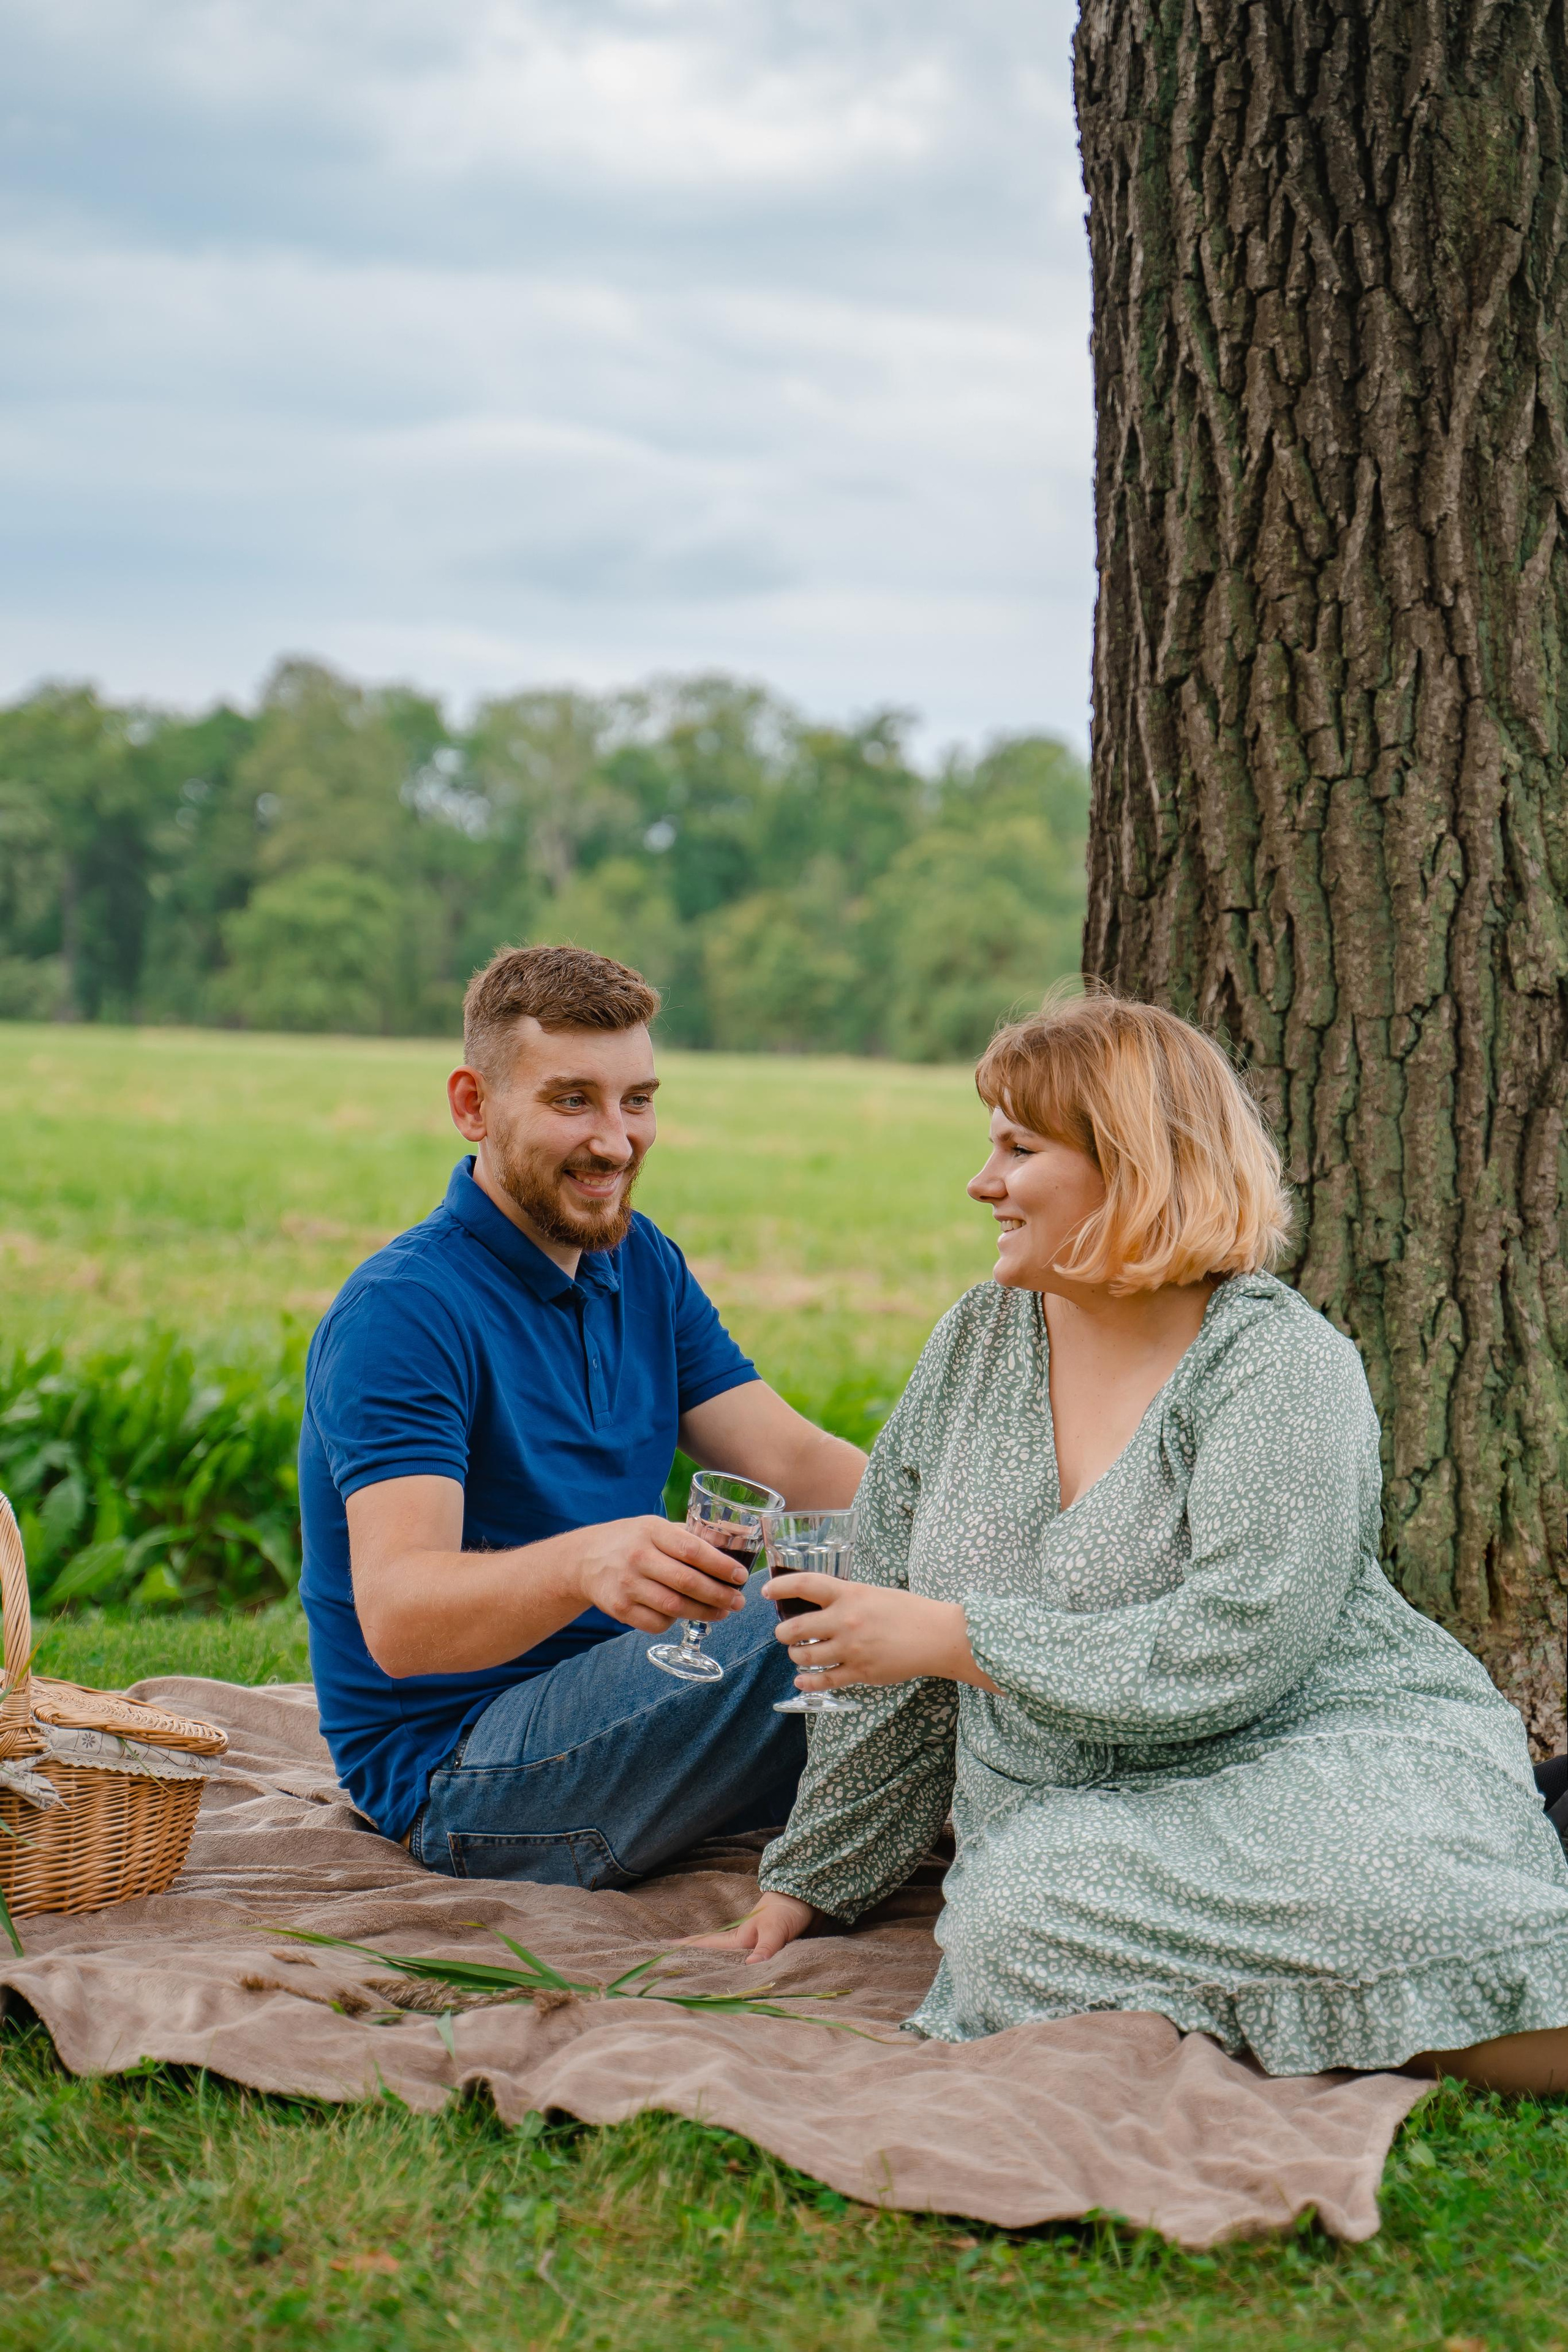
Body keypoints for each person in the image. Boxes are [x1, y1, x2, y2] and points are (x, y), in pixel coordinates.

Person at [696, 989, 1568, 2094]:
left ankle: (1492, 2001)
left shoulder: (1280, 1366)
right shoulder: (975, 1341)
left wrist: (961, 1639)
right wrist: (803, 1887)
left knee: (1380, 1875)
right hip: (1080, 1821)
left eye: (1020, 1148)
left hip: (1318, 1755)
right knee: (1016, 1915)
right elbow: (886, 1653)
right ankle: (1392, 2003)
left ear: (1136, 1167)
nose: (983, 1182)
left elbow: (1238, 1649)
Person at [297, 944, 864, 1885]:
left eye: (637, 1100)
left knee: (892, 1563)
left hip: (630, 1700)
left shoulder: (640, 1264)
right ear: (474, 1105)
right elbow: (399, 1619)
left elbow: (796, 1460)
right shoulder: (403, 1311)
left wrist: (985, 1517)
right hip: (464, 1772)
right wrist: (586, 1563)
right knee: (804, 1614)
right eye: (573, 1102)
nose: (616, 1141)